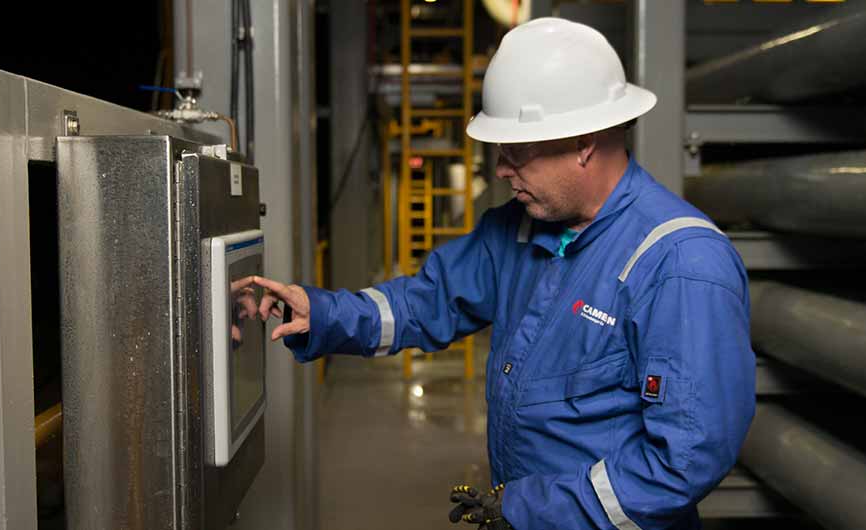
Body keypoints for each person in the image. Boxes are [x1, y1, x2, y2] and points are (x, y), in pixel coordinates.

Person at [240, 17, 755, 530]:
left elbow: (681, 463)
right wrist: (324, 313)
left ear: (583, 142)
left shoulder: (681, 265)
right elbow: (427, 302)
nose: (502, 168)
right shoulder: (518, 229)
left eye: (518, 152)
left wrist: (529, 509)